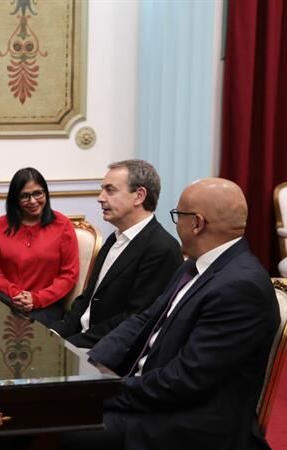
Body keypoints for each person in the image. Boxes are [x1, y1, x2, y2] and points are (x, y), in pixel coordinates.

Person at [65, 177, 280, 450]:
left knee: (61, 428)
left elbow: (184, 381)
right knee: (49, 414)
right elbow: (144, 320)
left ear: (197, 223)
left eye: (178, 215)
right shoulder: (193, 266)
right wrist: (93, 361)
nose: (175, 224)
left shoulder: (240, 287)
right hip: (155, 395)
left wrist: (102, 391)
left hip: (191, 424)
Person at [50, 160, 182, 348]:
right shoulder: (114, 238)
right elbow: (87, 298)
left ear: (139, 196)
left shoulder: (162, 248)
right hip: (83, 341)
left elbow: (136, 319)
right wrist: (56, 333)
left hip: (107, 351)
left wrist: (71, 345)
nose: (100, 198)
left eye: (110, 190)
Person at [0, 167, 79, 327]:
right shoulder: (0, 225)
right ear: (15, 199)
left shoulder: (63, 225)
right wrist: (16, 294)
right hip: (6, 298)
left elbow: (68, 276)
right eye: (25, 196)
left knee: (17, 328)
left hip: (46, 305)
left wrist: (35, 299)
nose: (33, 201)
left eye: (38, 193)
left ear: (46, 193)